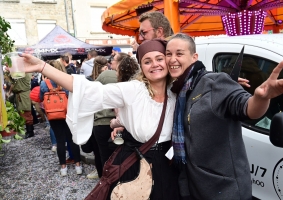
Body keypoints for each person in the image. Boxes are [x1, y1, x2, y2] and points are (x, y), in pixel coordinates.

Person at [21, 39, 181, 199]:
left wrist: (121, 123)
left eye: (159, 59)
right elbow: (86, 89)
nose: (154, 64)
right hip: (138, 165)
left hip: (169, 167)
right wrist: (42, 67)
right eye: (147, 61)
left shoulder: (177, 91)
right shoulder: (133, 90)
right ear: (141, 66)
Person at [165, 33, 283, 200]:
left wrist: (261, 98)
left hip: (223, 190)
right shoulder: (179, 89)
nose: (172, 59)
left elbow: (246, 107)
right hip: (192, 186)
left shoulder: (215, 82)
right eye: (168, 54)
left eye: (179, 53)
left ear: (194, 57)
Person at [39, 60, 82, 177]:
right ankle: (78, 165)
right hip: (68, 113)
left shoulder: (44, 83)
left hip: (53, 115)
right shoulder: (66, 80)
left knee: (60, 140)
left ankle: (63, 168)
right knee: (72, 139)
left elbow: (40, 98)